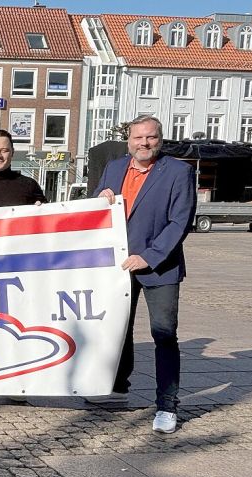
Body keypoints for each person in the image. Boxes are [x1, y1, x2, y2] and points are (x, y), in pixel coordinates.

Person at [91, 115, 197, 434]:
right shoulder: (114, 168)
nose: (144, 143)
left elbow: (180, 222)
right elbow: (97, 206)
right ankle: (118, 386)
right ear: (129, 140)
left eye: (150, 138)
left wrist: (148, 257)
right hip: (118, 265)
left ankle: (167, 405)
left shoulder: (179, 172)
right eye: (138, 138)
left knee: (163, 334)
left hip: (159, 267)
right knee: (117, 328)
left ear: (160, 139)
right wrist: (99, 201)